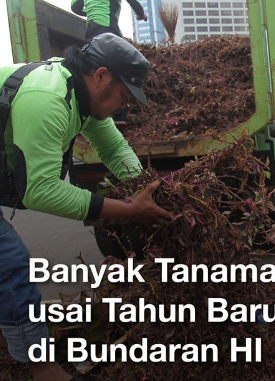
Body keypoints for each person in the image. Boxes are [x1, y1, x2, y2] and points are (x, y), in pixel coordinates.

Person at [0, 33, 171, 381]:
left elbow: (115, 150)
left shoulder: (79, 95)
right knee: (10, 266)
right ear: (101, 76)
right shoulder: (48, 98)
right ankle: (43, 368)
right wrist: (128, 210)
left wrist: (149, 192)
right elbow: (40, 190)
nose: (122, 106)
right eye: (123, 96)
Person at [71, 0, 148, 41]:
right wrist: (141, 14)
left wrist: (90, 12)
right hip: (107, 28)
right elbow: (134, 2)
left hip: (91, 30)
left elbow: (75, 7)